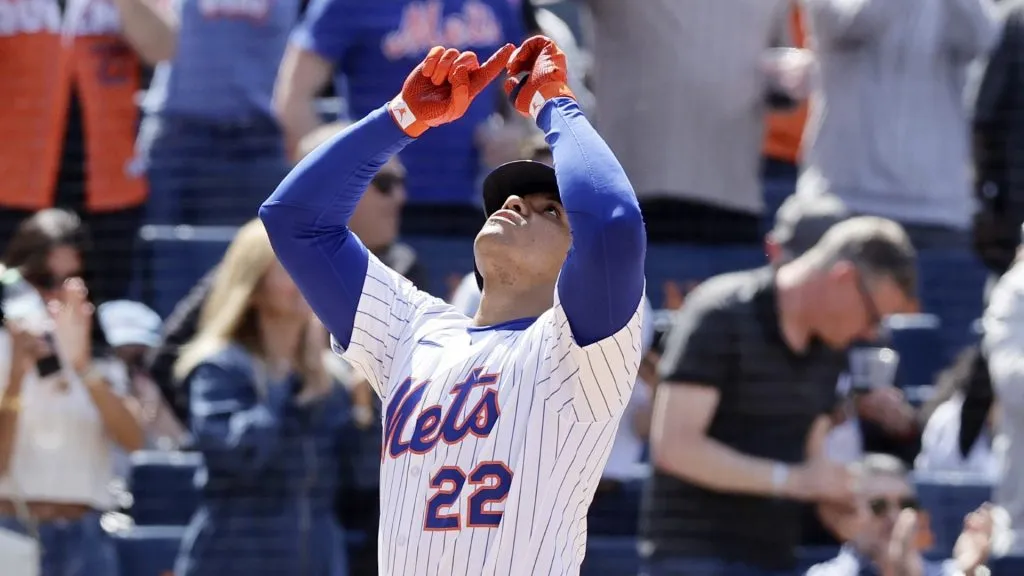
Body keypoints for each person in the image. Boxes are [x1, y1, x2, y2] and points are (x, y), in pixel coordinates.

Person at [261, 35, 646, 576]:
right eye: (513, 198)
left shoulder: (579, 348)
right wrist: (402, 117)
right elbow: (294, 220)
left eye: (550, 211)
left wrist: (554, 104)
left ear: (577, 261)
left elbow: (612, 224)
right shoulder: (411, 331)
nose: (517, 204)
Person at [644, 216, 919, 575]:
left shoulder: (829, 348)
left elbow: (811, 463)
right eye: (872, 317)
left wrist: (846, 499)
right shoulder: (720, 313)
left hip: (775, 558)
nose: (871, 333)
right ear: (843, 279)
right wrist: (791, 481)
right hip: (693, 558)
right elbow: (674, 447)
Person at [172, 219, 352, 576]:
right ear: (253, 286)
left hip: (316, 559)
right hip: (233, 559)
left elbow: (359, 479)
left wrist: (365, 410)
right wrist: (283, 387)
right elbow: (239, 456)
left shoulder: (330, 377)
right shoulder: (219, 367)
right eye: (289, 265)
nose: (305, 277)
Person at [274, 0, 525, 236]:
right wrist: (336, 184)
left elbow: (519, 80)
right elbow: (294, 98)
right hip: (381, 203)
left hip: (480, 203)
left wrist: (517, 131)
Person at [0, 227, 146, 575]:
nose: (57, 293)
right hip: (12, 536)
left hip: (86, 541)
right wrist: (17, 376)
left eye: (72, 279)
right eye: (44, 279)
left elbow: (135, 439)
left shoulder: (101, 358)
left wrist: (82, 367)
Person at [137, 0, 298, 227]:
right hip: (178, 137)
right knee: (165, 253)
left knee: (253, 253)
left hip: (256, 141)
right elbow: (154, 42)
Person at [807, 453, 995, 576]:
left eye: (906, 505)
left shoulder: (953, 571)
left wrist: (969, 571)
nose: (895, 516)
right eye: (878, 506)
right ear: (850, 515)